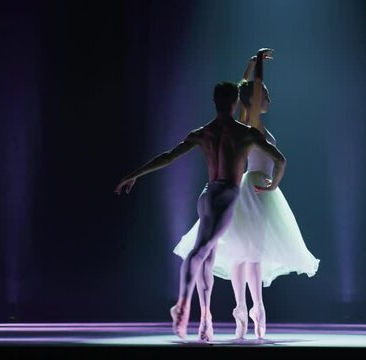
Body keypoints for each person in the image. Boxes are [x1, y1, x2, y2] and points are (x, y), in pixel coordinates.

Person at [115, 50, 285, 341]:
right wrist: (256, 65)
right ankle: (182, 304)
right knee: (201, 251)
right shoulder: (245, 133)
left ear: (216, 102)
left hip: (207, 194)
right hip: (227, 196)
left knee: (208, 255)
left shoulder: (203, 132)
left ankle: (205, 318)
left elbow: (168, 157)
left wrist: (134, 174)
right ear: (235, 104)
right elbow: (279, 158)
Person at [174, 49, 319, 340]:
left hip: (257, 189)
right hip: (251, 188)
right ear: (252, 99)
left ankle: (249, 309)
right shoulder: (249, 123)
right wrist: (258, 68)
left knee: (249, 252)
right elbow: (246, 94)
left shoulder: (250, 124)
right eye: (264, 93)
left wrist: (251, 66)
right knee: (247, 252)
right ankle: (250, 308)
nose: (268, 98)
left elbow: (242, 94)